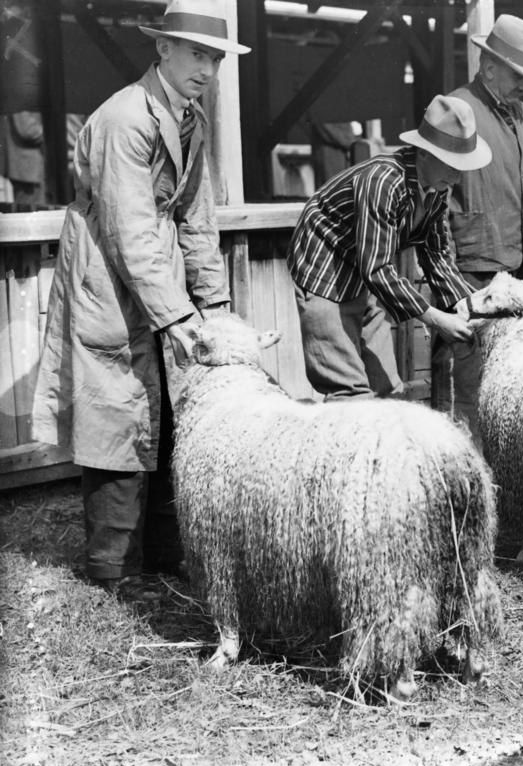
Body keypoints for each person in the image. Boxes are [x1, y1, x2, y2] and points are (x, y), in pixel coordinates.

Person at [31, 0, 250, 594]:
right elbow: (128, 229)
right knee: (117, 402)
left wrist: (214, 306)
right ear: (163, 49)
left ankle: (163, 552)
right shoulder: (124, 118)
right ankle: (113, 567)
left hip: (160, 267)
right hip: (107, 266)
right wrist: (178, 315)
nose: (207, 69)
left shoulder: (192, 119)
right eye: (197, 54)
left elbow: (198, 220)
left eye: (216, 58)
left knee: (173, 404)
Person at [433, 14, 523, 434]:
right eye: (518, 75)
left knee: (513, 372)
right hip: (473, 266)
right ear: (490, 65)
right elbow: (434, 198)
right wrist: (445, 268)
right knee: (467, 370)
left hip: (522, 270)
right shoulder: (459, 109)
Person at [287, 94, 490, 400]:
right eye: (452, 163)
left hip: (362, 270)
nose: (458, 175)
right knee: (349, 390)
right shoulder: (383, 181)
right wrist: (435, 317)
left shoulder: (437, 189)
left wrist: (467, 306)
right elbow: (378, 267)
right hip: (323, 266)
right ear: (424, 153)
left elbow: (435, 253)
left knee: (389, 389)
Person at [0, 111, 46, 208]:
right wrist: (58, 134)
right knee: (32, 215)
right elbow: (28, 130)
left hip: (30, 168)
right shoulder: (20, 97)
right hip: (28, 169)